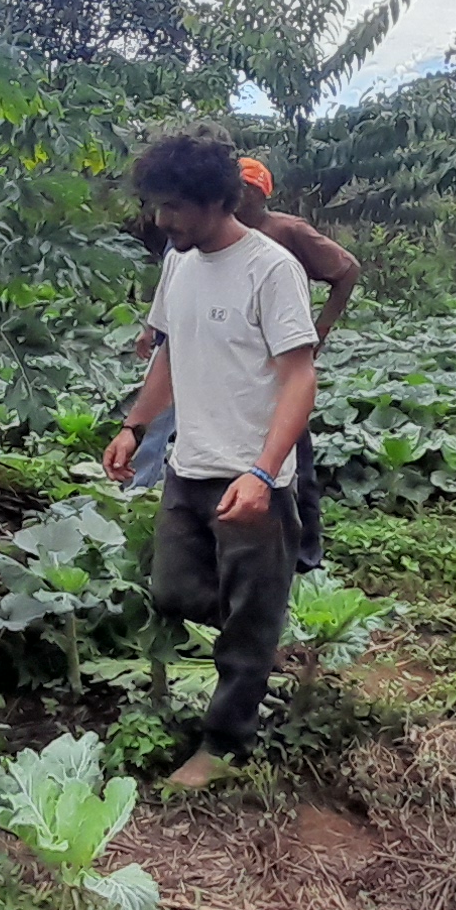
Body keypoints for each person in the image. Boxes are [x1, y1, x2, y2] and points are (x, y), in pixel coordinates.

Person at [103, 128, 319, 790]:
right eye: (156, 206)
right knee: (173, 591)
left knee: (248, 621)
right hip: (188, 467)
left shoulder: (271, 269)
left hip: (252, 479)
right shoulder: (179, 263)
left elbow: (299, 377)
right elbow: (169, 352)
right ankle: (256, 641)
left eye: (172, 207)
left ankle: (224, 744)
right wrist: (135, 427)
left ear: (212, 200)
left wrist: (262, 472)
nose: (160, 220)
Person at [232, 156, 362, 572]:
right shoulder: (219, 234)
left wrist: (318, 330)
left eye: (237, 189)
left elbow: (347, 270)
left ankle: (306, 552)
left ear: (255, 192)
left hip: (283, 358)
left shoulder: (285, 231)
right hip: (239, 360)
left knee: (295, 454)